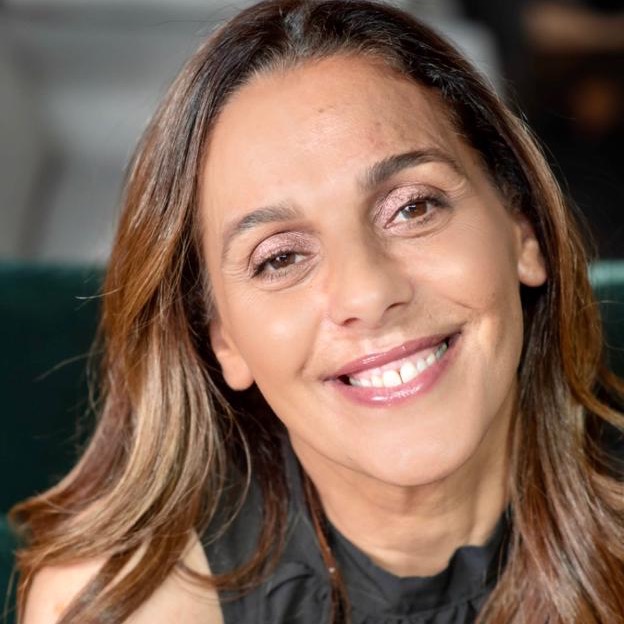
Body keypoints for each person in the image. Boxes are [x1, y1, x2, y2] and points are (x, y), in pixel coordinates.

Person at [10, 0, 624, 622]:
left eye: (412, 207)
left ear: (522, 232)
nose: (367, 294)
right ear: (224, 341)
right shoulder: (129, 606)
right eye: (279, 258)